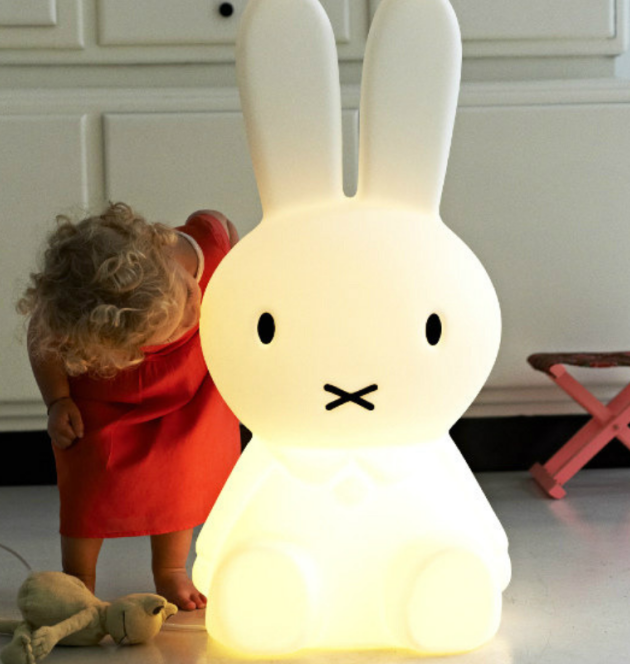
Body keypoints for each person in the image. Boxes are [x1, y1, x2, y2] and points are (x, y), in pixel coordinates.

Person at [17, 202, 241, 610]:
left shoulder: (203, 250)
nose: (193, 312)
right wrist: (57, 399)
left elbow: (218, 222)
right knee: (88, 482)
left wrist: (238, 266)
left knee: (179, 473)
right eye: (173, 323)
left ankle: (170, 570)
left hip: (184, 391)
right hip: (104, 395)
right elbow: (42, 341)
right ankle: (78, 578)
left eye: (186, 297)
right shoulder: (74, 312)